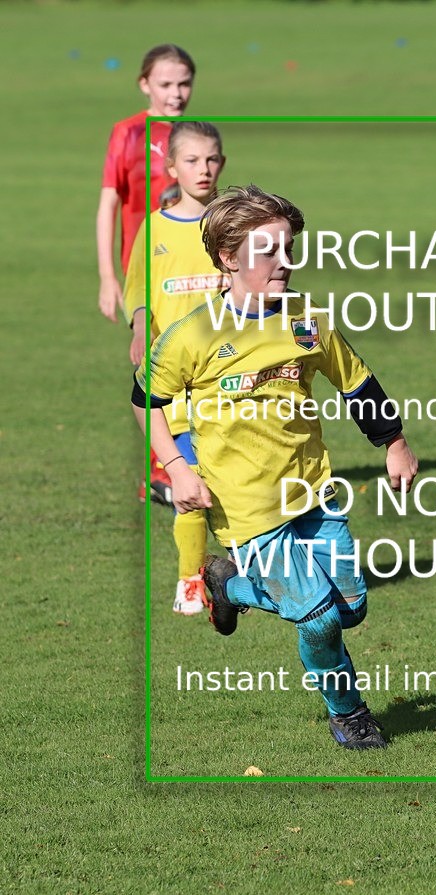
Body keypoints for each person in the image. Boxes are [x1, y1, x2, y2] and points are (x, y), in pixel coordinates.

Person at [131, 184, 418, 750]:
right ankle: (350, 713)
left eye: (290, 248)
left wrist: (393, 441)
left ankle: (231, 588)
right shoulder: (191, 335)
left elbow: (355, 380)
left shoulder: (308, 320)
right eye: (267, 250)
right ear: (227, 258)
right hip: (247, 509)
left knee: (350, 608)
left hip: (312, 491)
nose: (283, 262)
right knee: (317, 619)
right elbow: (148, 403)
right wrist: (175, 467)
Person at [123, 121, 226, 615]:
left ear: (222, 164)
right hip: (175, 386)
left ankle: (237, 572)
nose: (202, 170)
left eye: (210, 160)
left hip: (227, 381)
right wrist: (141, 327)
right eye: (191, 161)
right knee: (188, 481)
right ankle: (190, 578)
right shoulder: (156, 227)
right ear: (172, 168)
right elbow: (140, 288)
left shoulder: (230, 224)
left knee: (234, 484)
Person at [98, 43, 196, 504]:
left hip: (189, 267)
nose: (176, 94)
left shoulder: (196, 138)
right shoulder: (128, 133)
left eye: (183, 83)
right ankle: (161, 471)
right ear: (144, 85)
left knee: (192, 362)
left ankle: (182, 464)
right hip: (144, 270)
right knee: (152, 364)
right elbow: (109, 203)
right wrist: (107, 276)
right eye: (165, 84)